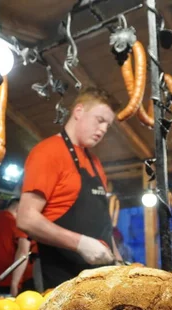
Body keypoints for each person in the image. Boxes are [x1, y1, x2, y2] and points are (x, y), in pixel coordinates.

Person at [17, 87, 120, 289]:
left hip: (97, 280)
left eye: (108, 125)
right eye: (100, 120)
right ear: (79, 111)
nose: (104, 130)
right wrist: (80, 243)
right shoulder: (48, 152)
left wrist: (118, 262)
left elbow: (104, 225)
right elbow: (26, 218)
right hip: (57, 278)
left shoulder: (96, 163)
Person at [0, 198, 32, 296]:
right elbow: (23, 252)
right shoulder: (19, 224)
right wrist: (14, 284)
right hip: (8, 283)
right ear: (19, 210)